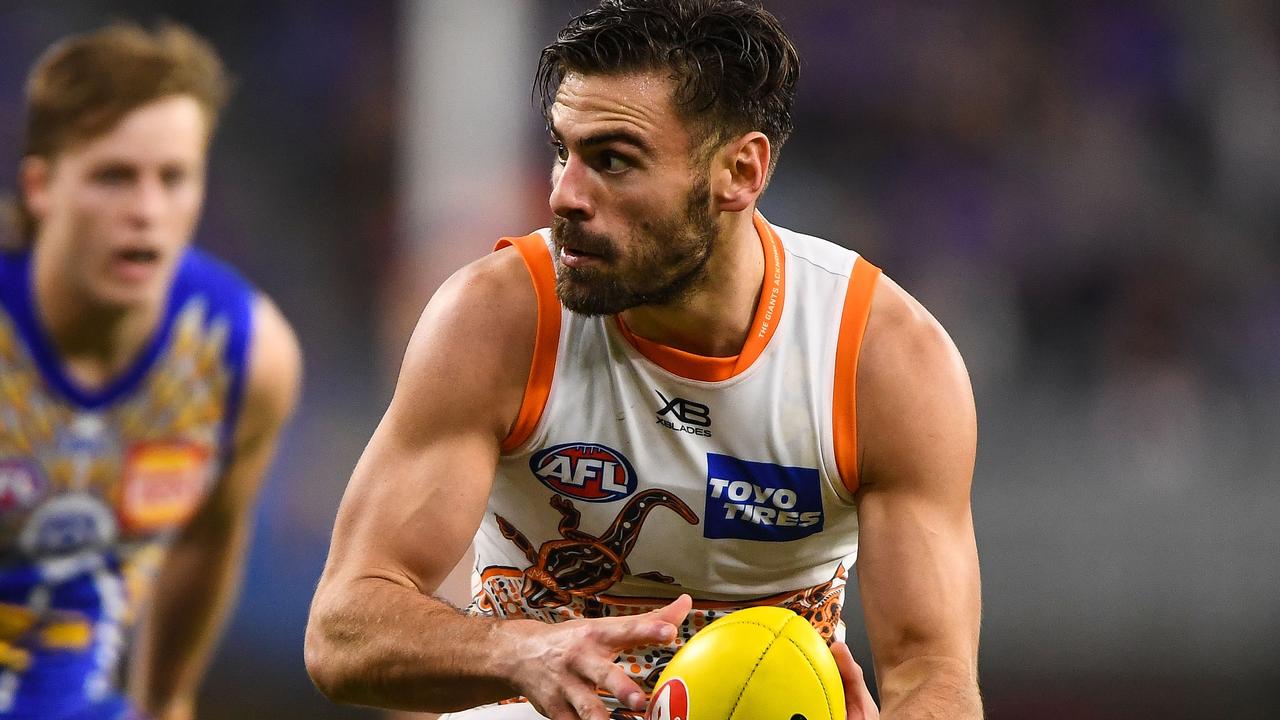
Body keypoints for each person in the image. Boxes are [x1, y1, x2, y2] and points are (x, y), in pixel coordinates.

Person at [305, 1, 980, 718]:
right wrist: (517, 652)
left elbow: (933, 673)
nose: (564, 195)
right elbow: (343, 629)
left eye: (613, 161)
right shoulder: (500, 321)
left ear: (740, 172)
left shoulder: (880, 360)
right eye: (563, 150)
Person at [0, 23, 301, 720]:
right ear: (41, 186)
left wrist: (166, 704)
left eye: (173, 178)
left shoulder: (247, 359)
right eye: (113, 177)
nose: (146, 212)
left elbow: (210, 536)